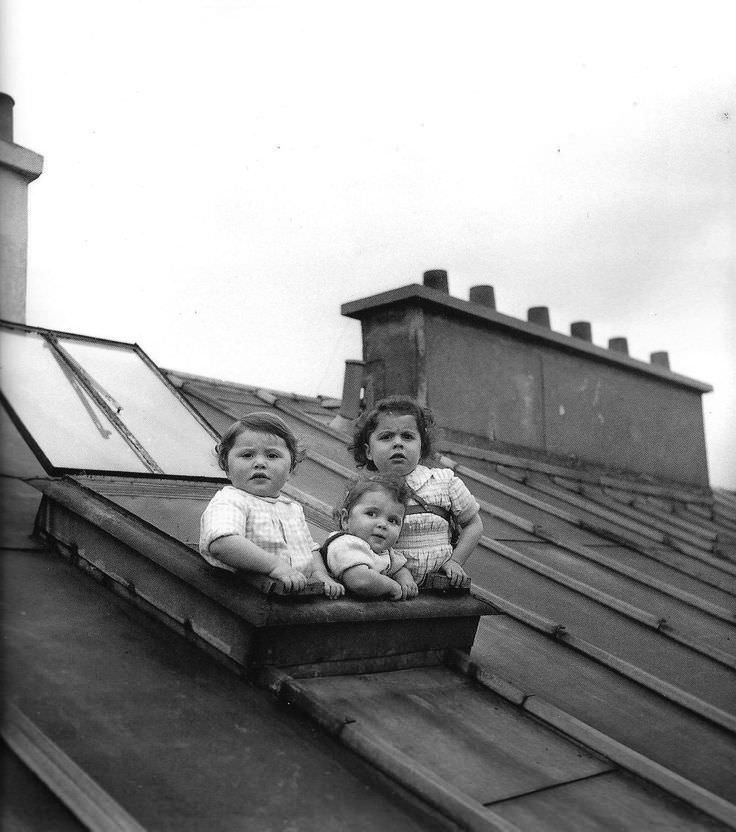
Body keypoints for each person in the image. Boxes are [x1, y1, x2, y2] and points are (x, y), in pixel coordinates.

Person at [199, 412, 344, 598]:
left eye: (272, 455)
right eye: (247, 455)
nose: (259, 463)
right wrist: (275, 566)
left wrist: (320, 575)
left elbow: (310, 549)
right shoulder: (230, 500)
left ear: (290, 469)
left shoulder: (292, 508)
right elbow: (221, 543)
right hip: (249, 599)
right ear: (226, 466)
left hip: (294, 599)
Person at [351, 396, 483, 589]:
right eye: (386, 436)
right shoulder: (363, 491)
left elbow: (474, 524)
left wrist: (456, 561)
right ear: (369, 451)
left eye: (408, 436)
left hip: (441, 586)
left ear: (422, 447)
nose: (398, 443)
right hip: (389, 588)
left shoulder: (444, 482)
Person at [321, 476, 418, 600]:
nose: (383, 524)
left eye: (392, 520)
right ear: (346, 520)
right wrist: (392, 586)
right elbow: (360, 580)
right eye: (371, 514)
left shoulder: (385, 552)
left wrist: (405, 579)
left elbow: (399, 568)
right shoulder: (346, 544)